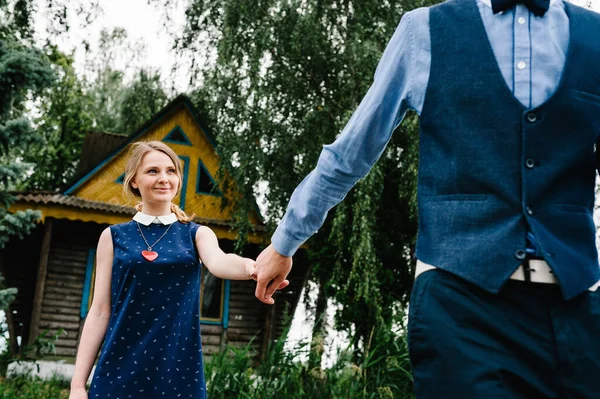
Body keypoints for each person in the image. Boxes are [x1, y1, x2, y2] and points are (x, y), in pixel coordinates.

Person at [253, 0, 600, 397]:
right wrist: (285, 241)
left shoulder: (596, 37)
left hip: (575, 306)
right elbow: (352, 152)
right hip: (462, 306)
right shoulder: (425, 30)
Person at [69, 141, 287, 399]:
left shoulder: (195, 234)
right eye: (152, 171)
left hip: (178, 370)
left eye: (171, 171)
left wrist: (252, 267)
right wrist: (77, 385)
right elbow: (99, 312)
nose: (164, 178)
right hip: (119, 367)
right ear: (134, 181)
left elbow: (220, 262)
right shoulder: (113, 237)